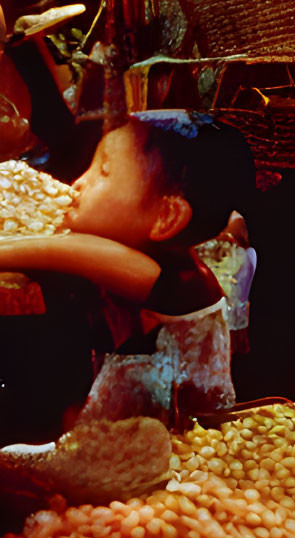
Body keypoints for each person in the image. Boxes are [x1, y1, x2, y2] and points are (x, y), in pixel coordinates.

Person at [0, 111, 255, 440]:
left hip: (183, 440)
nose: (79, 182)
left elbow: (61, 249)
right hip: (131, 415)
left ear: (166, 216)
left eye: (102, 172)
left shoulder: (172, 277)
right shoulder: (137, 250)